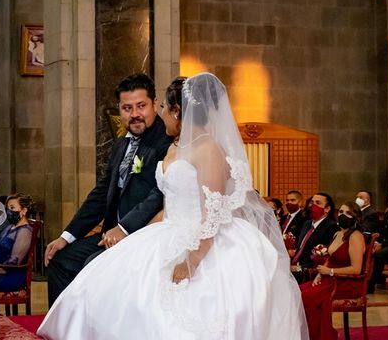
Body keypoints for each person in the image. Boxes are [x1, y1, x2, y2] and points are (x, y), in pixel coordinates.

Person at [38, 73, 308, 339]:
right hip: (168, 229)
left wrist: (190, 262)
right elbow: (169, 203)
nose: (162, 113)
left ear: (178, 112)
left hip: (202, 241)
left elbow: (211, 213)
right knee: (105, 282)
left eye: (164, 107)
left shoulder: (209, 150)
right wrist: (138, 238)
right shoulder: (174, 148)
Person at [43, 73, 172, 306]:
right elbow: (101, 194)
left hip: (142, 234)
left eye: (141, 106)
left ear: (154, 104)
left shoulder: (166, 142)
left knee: (92, 267)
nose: (134, 114)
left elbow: (159, 194)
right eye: (127, 108)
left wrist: (124, 228)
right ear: (119, 109)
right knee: (59, 261)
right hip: (110, 235)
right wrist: (66, 236)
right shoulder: (121, 144)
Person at [300, 201, 366, 340]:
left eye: (348, 213)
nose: (343, 215)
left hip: (346, 282)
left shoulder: (355, 236)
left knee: (307, 297)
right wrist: (319, 274)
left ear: (355, 217)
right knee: (297, 291)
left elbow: (356, 269)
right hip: (329, 278)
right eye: (341, 212)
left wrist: (329, 271)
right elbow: (330, 258)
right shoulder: (337, 234)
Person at [0, 193, 36, 293]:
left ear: (23, 211)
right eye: (7, 208)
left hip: (10, 275)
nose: (8, 211)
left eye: (12, 208)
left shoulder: (25, 232)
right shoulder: (9, 227)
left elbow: (14, 262)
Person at [290, 193, 339, 281]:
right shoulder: (306, 224)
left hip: (309, 271)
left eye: (318, 203)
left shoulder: (331, 227)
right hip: (294, 265)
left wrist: (298, 268)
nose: (313, 205)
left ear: (327, 209)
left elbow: (324, 258)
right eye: (312, 202)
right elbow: (299, 249)